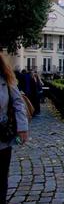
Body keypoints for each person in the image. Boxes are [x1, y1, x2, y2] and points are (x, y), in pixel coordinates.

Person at [0, 54, 28, 204]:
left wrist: (22, 129)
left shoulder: (6, 78)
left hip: (2, 135)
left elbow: (18, 103)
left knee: (2, 177)